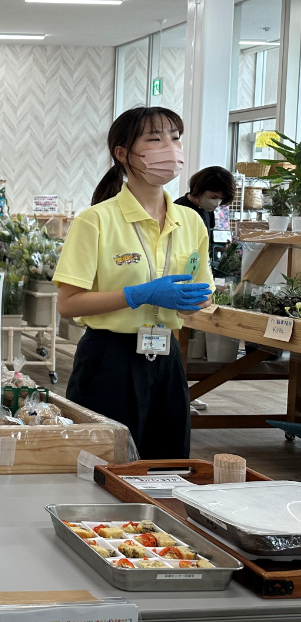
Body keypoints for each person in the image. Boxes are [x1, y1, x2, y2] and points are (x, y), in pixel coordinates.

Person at [55, 107, 212, 459]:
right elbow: (68, 304)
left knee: (167, 461)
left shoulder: (191, 222)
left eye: (175, 138)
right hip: (109, 357)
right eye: (155, 139)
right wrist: (138, 294)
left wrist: (195, 299)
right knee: (106, 463)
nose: (170, 149)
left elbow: (203, 290)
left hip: (166, 357)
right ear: (123, 154)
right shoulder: (95, 221)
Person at [174, 166, 236, 252]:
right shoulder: (180, 209)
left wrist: (219, 247)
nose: (217, 203)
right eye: (214, 197)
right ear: (199, 189)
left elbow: (206, 242)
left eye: (221, 199)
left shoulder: (207, 209)